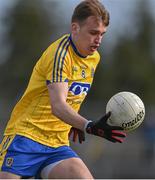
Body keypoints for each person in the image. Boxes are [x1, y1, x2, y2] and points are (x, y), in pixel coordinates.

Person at [0, 0, 126, 179]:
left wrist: (73, 121)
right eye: (93, 33)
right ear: (75, 28)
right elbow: (58, 105)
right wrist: (88, 125)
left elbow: (73, 94)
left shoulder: (94, 58)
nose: (98, 40)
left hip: (57, 144)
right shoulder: (60, 55)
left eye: (102, 34)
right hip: (26, 138)